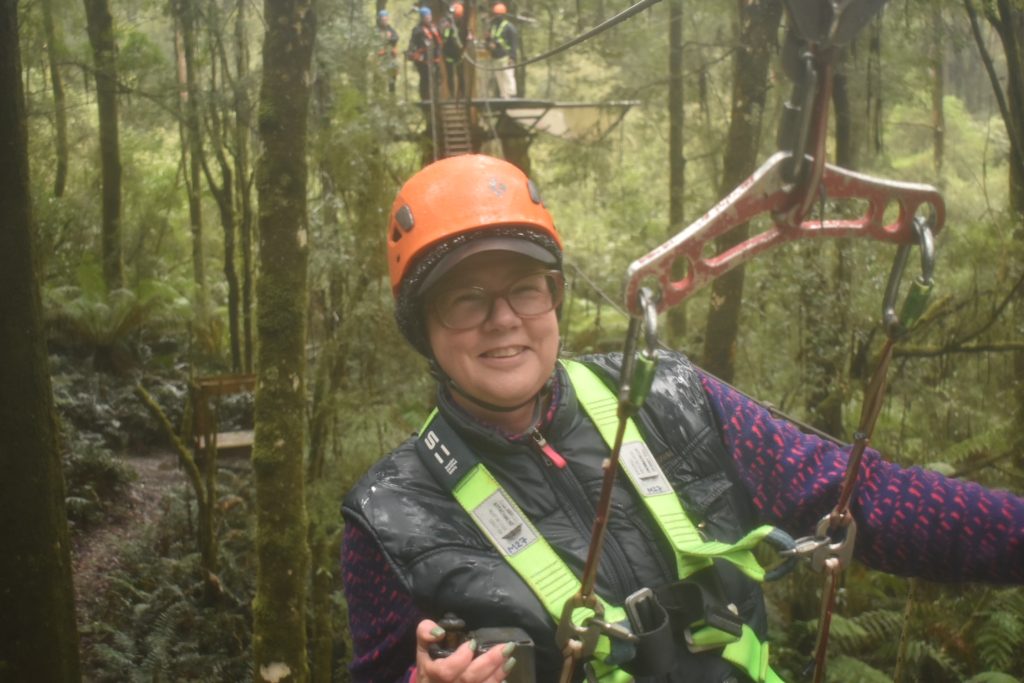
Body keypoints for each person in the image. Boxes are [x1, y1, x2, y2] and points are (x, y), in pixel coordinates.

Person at [341, 154, 1024, 682]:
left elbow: (861, 496)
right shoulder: (391, 513)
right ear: (423, 328)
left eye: (526, 287)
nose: (504, 319)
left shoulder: (670, 393)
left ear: (553, 296)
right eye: (466, 298)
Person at [407, 5, 443, 101]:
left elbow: (439, 41)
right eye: (426, 17)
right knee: (425, 78)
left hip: (434, 58)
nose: (428, 18)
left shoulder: (435, 28)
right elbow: (412, 42)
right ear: (422, 18)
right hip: (423, 59)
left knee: (437, 78)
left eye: (429, 16)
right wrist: (410, 52)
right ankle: (425, 98)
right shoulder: (418, 30)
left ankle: (436, 97)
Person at [486, 3, 517, 98]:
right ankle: (504, 97)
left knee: (508, 76)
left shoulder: (509, 27)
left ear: (503, 15)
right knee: (499, 79)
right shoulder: (493, 27)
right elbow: (488, 40)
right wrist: (488, 42)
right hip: (496, 57)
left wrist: (512, 57)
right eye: (496, 14)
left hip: (506, 57)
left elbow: (514, 43)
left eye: (498, 14)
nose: (496, 16)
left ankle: (511, 95)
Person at [440, 2, 465, 98]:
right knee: (450, 75)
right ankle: (452, 95)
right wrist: (447, 28)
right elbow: (443, 35)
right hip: (448, 53)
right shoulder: (446, 22)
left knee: (460, 74)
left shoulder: (462, 24)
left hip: (459, 54)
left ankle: (462, 94)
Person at [377, 9, 400, 94]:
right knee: (379, 79)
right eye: (383, 20)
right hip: (381, 59)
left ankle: (392, 96)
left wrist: (388, 39)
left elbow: (396, 38)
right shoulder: (377, 31)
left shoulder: (391, 30)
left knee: (392, 79)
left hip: (391, 58)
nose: (384, 22)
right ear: (380, 20)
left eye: (386, 20)